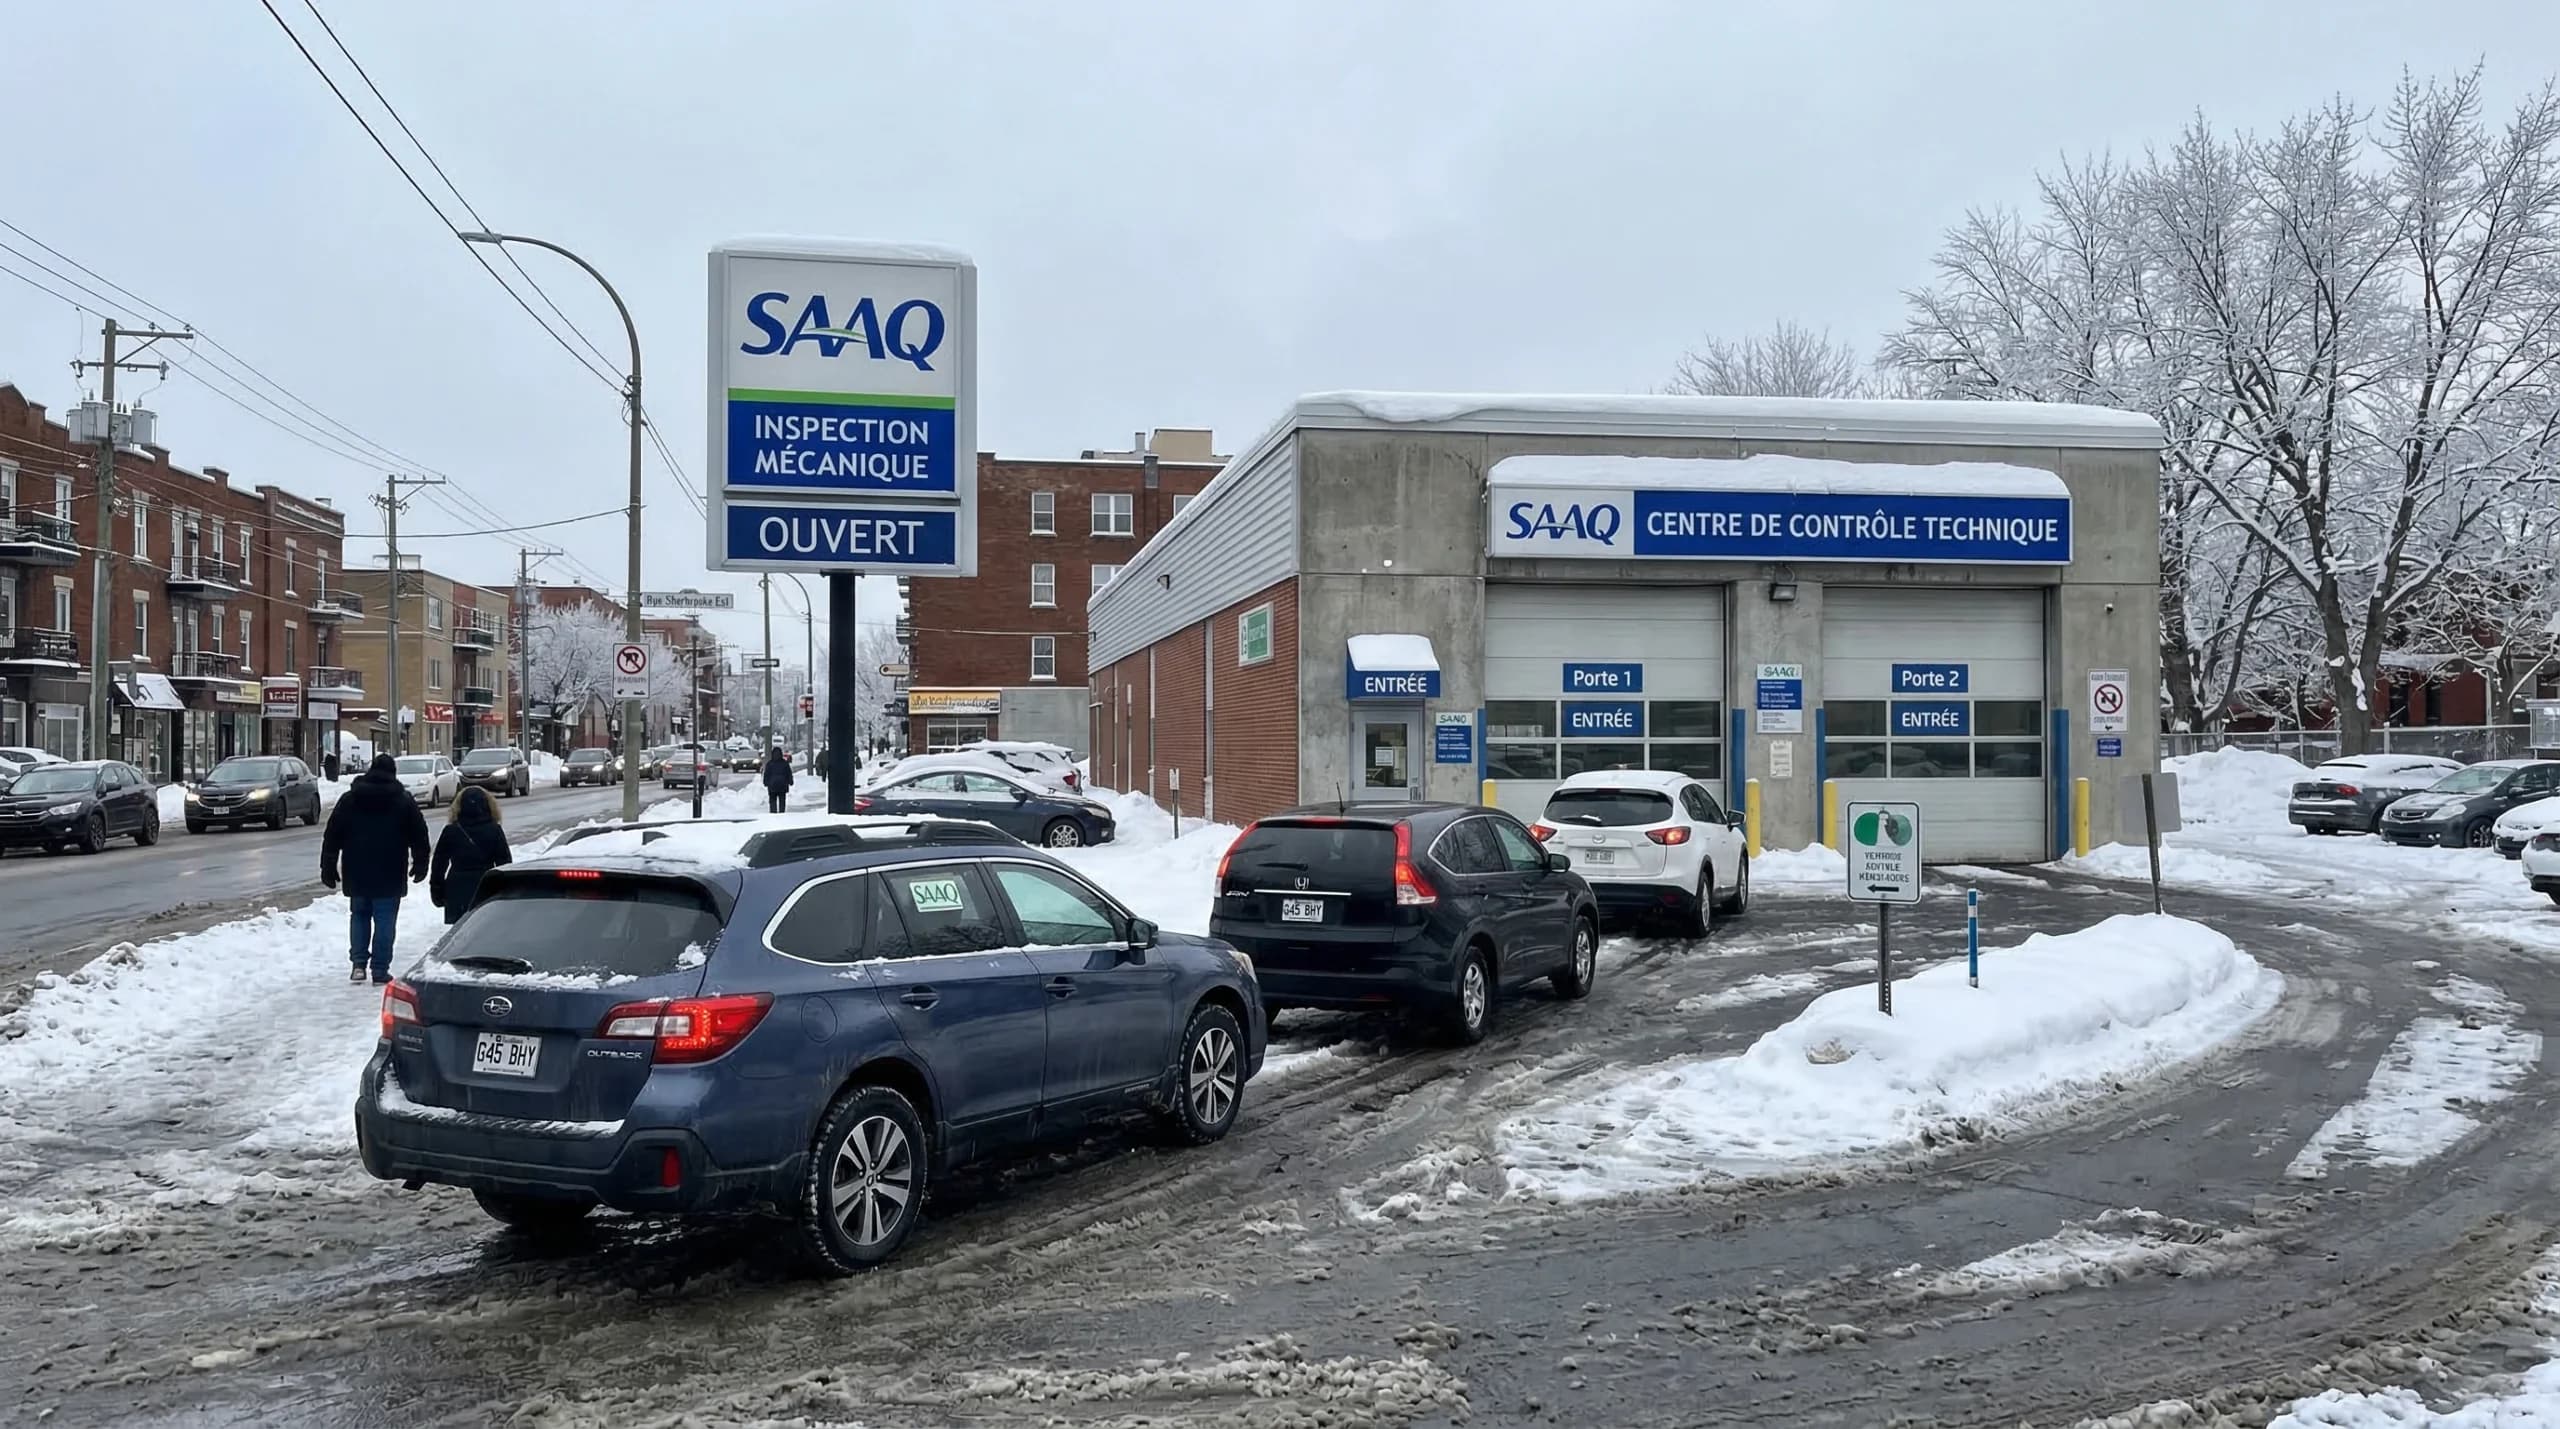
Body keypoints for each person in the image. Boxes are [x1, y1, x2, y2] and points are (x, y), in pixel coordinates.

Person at [320, 753, 431, 985]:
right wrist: (421, 863)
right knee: (385, 920)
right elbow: (419, 834)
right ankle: (380, 970)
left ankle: (358, 965)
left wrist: (328, 865)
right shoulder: (403, 800)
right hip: (390, 869)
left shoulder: (350, 799)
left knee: (359, 915)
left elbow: (333, 834)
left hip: (357, 868)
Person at [430, 787, 513, 926]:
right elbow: (504, 863)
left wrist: (437, 889)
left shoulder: (451, 831)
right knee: (484, 929)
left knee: (460, 933)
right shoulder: (494, 830)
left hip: (457, 888)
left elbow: (439, 863)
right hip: (485, 887)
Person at [761, 744, 794, 814]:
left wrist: (766, 782)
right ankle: (782, 813)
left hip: (772, 786)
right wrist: (790, 781)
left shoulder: (770, 764)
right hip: (783, 785)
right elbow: (788, 773)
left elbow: (766, 774)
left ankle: (773, 813)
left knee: (772, 801)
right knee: (782, 801)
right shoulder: (784, 763)